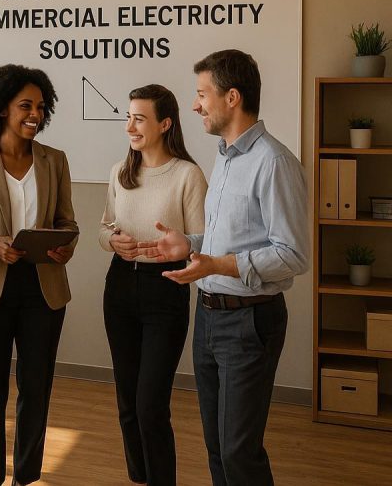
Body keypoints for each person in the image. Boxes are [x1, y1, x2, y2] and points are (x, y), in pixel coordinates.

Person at [137, 50, 309, 486]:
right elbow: (228, 238)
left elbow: (292, 254)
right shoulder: (227, 157)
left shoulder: (274, 162)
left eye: (201, 95)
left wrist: (216, 262)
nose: (195, 105)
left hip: (249, 321)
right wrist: (190, 244)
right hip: (209, 317)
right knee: (216, 447)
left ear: (232, 97)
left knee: (239, 453)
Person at [0, 64, 79, 486]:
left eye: (41, 107)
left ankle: (27, 475)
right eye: (26, 106)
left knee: (36, 386)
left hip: (43, 286)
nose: (35, 115)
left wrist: (64, 245)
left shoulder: (55, 160)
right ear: (2, 108)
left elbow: (67, 222)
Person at [99, 84, 207, 486]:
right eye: (128, 116)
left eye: (139, 118)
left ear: (165, 124)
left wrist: (175, 248)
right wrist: (113, 240)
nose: (130, 125)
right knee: (127, 401)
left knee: (150, 406)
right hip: (120, 287)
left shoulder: (187, 175)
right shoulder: (119, 172)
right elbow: (103, 229)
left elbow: (203, 243)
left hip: (166, 290)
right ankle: (138, 477)